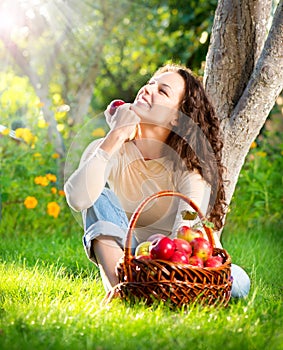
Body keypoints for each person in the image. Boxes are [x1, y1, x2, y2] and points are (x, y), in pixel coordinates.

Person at [64, 63, 250, 298]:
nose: (147, 89)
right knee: (97, 195)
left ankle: (151, 292)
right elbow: (78, 198)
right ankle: (121, 292)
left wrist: (160, 271)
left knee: (238, 283)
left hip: (180, 265)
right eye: (150, 83)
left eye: (163, 91)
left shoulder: (189, 167)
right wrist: (117, 135)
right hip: (132, 264)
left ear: (176, 118)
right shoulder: (109, 148)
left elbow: (185, 233)